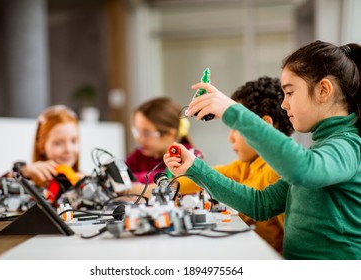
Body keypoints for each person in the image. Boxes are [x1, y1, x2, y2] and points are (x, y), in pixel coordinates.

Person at [164, 40, 361, 260]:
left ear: (323, 90)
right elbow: (260, 205)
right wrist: (195, 168)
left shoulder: (348, 146)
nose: (284, 105)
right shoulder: (322, 149)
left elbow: (304, 168)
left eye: (290, 93)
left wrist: (233, 111)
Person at [178, 76, 294, 254]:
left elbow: (292, 244)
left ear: (263, 126)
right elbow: (200, 177)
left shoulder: (275, 173)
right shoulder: (247, 165)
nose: (230, 137)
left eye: (236, 128)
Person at [0, 105, 83, 206]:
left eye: (74, 141)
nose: (68, 149)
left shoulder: (85, 183)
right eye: (58, 143)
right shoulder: (30, 181)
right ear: (42, 146)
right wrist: (20, 174)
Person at [125, 97, 200, 197]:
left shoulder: (189, 155)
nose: (140, 139)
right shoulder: (139, 155)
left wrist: (131, 184)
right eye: (137, 131)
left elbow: (174, 182)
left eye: (147, 133)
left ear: (170, 134)